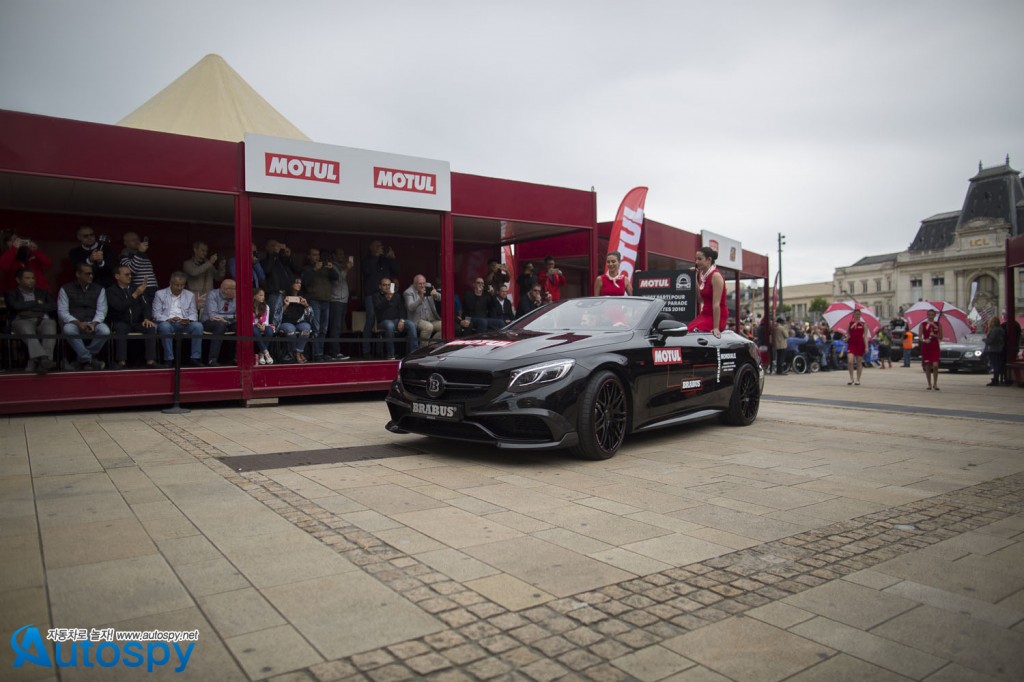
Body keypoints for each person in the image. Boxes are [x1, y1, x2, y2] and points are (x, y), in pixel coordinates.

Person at [105, 264, 160, 369]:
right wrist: (135, 294)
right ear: (117, 276)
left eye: (130, 274)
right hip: (121, 321)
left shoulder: (137, 288)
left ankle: (150, 361)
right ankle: (121, 362)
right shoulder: (111, 291)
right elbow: (119, 307)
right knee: (120, 328)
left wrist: (147, 318)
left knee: (150, 327)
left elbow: (146, 306)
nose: (130, 276)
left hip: (138, 321)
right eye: (127, 274)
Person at [57, 262, 110, 370]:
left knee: (105, 331)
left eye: (91, 273)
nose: (90, 276)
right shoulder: (65, 289)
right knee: (68, 330)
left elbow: (102, 311)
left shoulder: (99, 289)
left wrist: (94, 324)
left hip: (93, 321)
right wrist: (78, 323)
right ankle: (89, 360)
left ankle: (81, 359)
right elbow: (62, 312)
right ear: (78, 274)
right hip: (74, 322)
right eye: (87, 274)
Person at [4, 268, 57, 374]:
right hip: (21, 320)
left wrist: (27, 308)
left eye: (33, 278)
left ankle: (41, 362)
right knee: (26, 329)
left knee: (51, 324)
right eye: (27, 278)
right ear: (18, 280)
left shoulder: (42, 292)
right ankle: (44, 359)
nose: (31, 280)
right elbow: (16, 306)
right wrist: (36, 302)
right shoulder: (11, 293)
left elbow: (52, 306)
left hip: (42, 320)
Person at [152, 271, 204, 367]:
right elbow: (156, 314)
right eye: (177, 285)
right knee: (164, 327)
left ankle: (195, 358)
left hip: (184, 323)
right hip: (168, 323)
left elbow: (193, 313)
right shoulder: (160, 294)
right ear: (170, 283)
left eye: (182, 285)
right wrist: (168, 319)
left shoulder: (189, 295)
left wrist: (188, 320)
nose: (180, 288)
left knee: (198, 326)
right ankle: (169, 359)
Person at [361, 240, 400, 356]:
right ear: (371, 247)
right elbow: (367, 272)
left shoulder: (385, 259)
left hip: (388, 292)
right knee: (371, 319)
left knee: (389, 318)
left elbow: (396, 271)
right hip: (372, 293)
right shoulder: (366, 259)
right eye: (377, 246)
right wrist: (376, 256)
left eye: (381, 246)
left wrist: (392, 258)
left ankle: (387, 351)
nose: (380, 248)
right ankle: (366, 351)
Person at [301, 247, 338, 362]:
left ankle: (320, 352)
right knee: (316, 328)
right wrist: (314, 270)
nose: (316, 257)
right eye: (314, 255)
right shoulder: (307, 268)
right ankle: (316, 354)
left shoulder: (325, 267)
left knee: (324, 329)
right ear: (309, 256)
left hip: (326, 300)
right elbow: (304, 282)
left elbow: (336, 277)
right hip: (314, 300)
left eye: (317, 255)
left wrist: (332, 268)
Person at [372, 277, 418, 360]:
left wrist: (402, 320)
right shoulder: (376, 296)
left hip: (397, 321)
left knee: (411, 324)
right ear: (380, 286)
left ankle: (414, 353)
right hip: (383, 321)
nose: (387, 287)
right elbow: (379, 308)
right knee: (389, 325)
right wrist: (387, 298)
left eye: (388, 285)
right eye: (384, 285)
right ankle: (391, 354)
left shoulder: (396, 295)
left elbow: (402, 310)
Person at [261, 239, 299, 327]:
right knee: (274, 320)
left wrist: (288, 256)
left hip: (286, 293)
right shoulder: (265, 261)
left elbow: (296, 269)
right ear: (267, 248)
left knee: (285, 317)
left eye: (277, 245)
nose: (275, 248)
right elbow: (267, 269)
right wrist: (275, 253)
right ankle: (273, 334)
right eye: (272, 246)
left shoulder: (282, 260)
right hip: (275, 293)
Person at [691, 246, 727, 336]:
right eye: (696, 259)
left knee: (693, 331)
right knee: (688, 330)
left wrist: (716, 327)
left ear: (709, 260)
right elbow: (700, 299)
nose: (696, 262)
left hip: (716, 317)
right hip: (705, 314)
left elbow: (716, 304)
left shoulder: (716, 276)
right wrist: (694, 277)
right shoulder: (702, 275)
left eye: (700, 259)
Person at [201, 279, 237, 366]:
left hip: (229, 322)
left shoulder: (236, 297)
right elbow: (213, 315)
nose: (237, 290)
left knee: (241, 326)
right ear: (226, 290)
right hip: (210, 322)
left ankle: (236, 357)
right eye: (234, 288)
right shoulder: (212, 295)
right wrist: (232, 317)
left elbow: (238, 314)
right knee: (220, 326)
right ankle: (212, 359)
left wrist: (232, 318)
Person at [326, 247, 352, 361]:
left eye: (343, 254)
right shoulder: (332, 266)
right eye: (339, 254)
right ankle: (334, 353)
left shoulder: (340, 266)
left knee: (339, 327)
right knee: (335, 327)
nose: (342, 256)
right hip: (336, 300)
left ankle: (334, 351)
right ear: (334, 255)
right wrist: (347, 269)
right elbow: (338, 279)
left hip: (343, 301)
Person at [279, 278, 313, 363]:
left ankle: (298, 352)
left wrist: (306, 305)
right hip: (286, 322)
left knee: (306, 328)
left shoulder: (302, 297)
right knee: (291, 330)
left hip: (299, 322)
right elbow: (277, 315)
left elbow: (309, 315)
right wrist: (285, 305)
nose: (299, 285)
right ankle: (295, 353)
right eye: (297, 283)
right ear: (291, 284)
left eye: (300, 283)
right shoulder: (283, 296)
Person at [119, 232, 158, 298]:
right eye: (133, 240)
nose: (137, 242)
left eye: (137, 239)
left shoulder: (143, 254)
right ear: (126, 243)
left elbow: (150, 272)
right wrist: (140, 252)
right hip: (140, 289)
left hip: (153, 289)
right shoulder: (124, 255)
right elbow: (131, 270)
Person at [404, 274, 442, 340]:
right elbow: (410, 307)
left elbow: (442, 298)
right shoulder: (408, 292)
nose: (422, 286)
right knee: (428, 327)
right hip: (418, 320)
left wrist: (436, 294)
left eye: (424, 283)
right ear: (414, 284)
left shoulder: (428, 286)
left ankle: (432, 344)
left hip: (431, 319)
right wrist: (421, 298)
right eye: (420, 284)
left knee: (444, 326)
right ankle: (423, 346)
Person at [844, 309, 869, 385]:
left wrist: (866, 347)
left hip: (860, 343)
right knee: (850, 361)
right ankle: (851, 378)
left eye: (858, 314)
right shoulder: (850, 323)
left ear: (860, 315)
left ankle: (858, 379)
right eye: (856, 314)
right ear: (853, 315)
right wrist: (846, 338)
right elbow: (847, 334)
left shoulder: (864, 324)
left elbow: (865, 336)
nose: (857, 316)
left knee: (859, 362)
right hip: (852, 343)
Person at [919, 308, 941, 390]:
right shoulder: (923, 324)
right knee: (927, 366)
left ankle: (935, 383)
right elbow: (920, 337)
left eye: (932, 315)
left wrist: (934, 335)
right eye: (929, 315)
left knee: (935, 366)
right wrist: (924, 340)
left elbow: (941, 336)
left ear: (935, 315)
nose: (930, 316)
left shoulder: (938, 324)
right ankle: (929, 384)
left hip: (935, 346)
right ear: (927, 315)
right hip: (926, 346)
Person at [252, 288, 275, 365]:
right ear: (254, 296)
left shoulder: (266, 307)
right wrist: (256, 325)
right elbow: (249, 321)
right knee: (255, 330)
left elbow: (266, 321)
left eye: (263, 295)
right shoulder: (249, 306)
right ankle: (266, 353)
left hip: (262, 325)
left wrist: (263, 326)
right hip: (253, 326)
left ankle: (261, 354)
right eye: (260, 295)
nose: (263, 297)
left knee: (269, 330)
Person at [984, 316, 1005, 387]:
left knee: (995, 365)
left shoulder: (994, 330)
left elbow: (991, 340)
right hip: (999, 349)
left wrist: (985, 340)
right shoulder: (1001, 330)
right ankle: (996, 378)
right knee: (997, 364)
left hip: (993, 349)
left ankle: (995, 379)